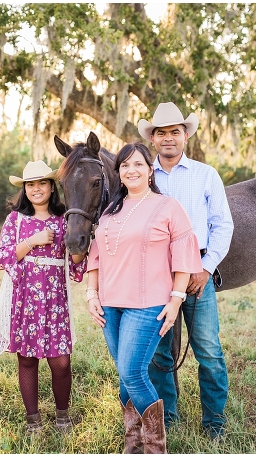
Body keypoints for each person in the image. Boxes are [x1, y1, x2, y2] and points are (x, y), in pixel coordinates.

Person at [85, 143, 202, 453]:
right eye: (125, 166)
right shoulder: (111, 211)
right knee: (125, 373)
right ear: (118, 173)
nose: (131, 170)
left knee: (134, 372)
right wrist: (91, 294)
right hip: (110, 305)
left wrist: (176, 300)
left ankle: (154, 447)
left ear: (150, 171)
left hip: (148, 303)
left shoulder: (167, 206)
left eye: (138, 164)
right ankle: (133, 444)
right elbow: (95, 256)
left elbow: (184, 256)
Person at [138, 102, 234, 440]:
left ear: (185, 136)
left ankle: (214, 422)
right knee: (159, 350)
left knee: (208, 348)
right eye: (161, 133)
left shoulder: (205, 175)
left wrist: (206, 269)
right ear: (152, 138)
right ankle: (168, 416)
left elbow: (223, 225)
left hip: (196, 270)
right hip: (155, 273)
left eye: (174, 132)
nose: (168, 138)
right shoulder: (141, 176)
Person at [0, 160, 87, 433]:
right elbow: (2, 257)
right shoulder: (16, 220)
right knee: (27, 359)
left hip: (55, 298)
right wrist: (32, 241)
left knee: (61, 360)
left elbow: (76, 265)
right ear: (25, 189)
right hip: (24, 298)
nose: (36, 189)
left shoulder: (64, 219)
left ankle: (62, 416)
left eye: (42, 183)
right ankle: (33, 420)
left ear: (51, 187)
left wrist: (79, 243)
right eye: (31, 184)